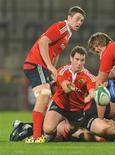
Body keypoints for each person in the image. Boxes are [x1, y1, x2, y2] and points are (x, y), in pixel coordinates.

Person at [23, 6, 86, 142]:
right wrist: (49, 66)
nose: (79, 23)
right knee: (44, 96)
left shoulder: (68, 34)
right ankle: (36, 137)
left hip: (41, 66)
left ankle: (37, 133)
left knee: (47, 97)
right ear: (69, 18)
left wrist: (53, 70)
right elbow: (43, 41)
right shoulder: (62, 26)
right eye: (77, 19)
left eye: (81, 20)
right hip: (36, 64)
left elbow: (55, 52)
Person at [42, 46, 96, 142]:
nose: (79, 63)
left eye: (82, 60)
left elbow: (92, 92)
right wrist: (73, 87)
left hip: (76, 109)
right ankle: (51, 135)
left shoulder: (88, 76)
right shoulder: (62, 71)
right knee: (48, 129)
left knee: (71, 129)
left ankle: (63, 136)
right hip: (60, 104)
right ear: (71, 58)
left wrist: (90, 96)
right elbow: (66, 89)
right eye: (77, 59)